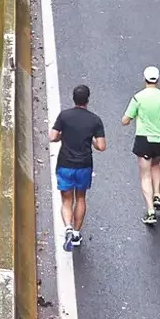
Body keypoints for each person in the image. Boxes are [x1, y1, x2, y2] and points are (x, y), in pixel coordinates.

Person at [122, 66, 160, 226]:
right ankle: (157, 194)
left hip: (144, 139)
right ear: (158, 79)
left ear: (144, 79)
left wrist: (133, 117)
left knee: (145, 174)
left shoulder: (138, 98)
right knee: (156, 164)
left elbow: (125, 120)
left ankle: (150, 211)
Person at [51, 84, 106, 252]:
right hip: (84, 165)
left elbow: (52, 137)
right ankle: (76, 233)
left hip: (65, 164)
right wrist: (92, 140)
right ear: (88, 99)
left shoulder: (64, 116)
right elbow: (101, 146)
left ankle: (67, 228)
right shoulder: (95, 120)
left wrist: (63, 135)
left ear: (73, 98)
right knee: (80, 198)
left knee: (67, 200)